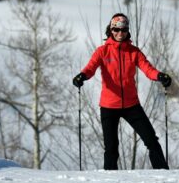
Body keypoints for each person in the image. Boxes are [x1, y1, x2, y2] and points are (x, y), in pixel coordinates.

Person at [73, 13, 172, 170]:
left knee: (151, 140)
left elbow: (148, 69)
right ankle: (110, 182)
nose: (120, 33)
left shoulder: (134, 52)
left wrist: (160, 76)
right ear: (111, 30)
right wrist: (82, 76)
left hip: (131, 105)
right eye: (116, 29)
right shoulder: (102, 52)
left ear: (128, 31)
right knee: (111, 149)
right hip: (108, 106)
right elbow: (90, 68)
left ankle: (164, 174)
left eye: (124, 30)